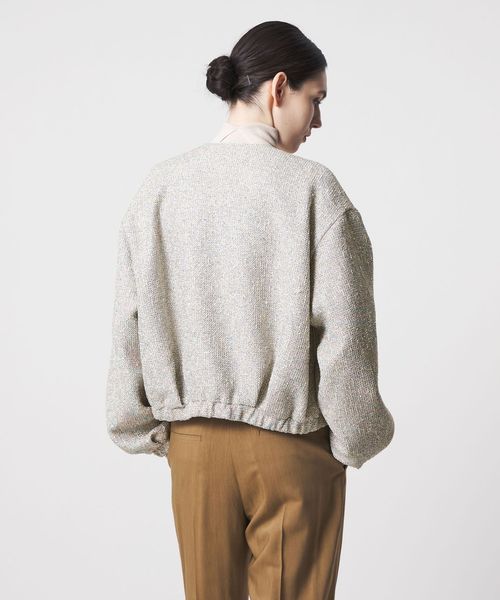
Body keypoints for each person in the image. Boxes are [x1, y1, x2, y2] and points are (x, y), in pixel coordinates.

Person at [105, 20, 395, 600]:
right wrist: (356, 438)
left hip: (195, 450)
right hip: (292, 447)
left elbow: (130, 323)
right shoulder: (314, 190)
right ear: (279, 87)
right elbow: (347, 333)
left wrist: (145, 426)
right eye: (315, 100)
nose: (317, 121)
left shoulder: (159, 189)